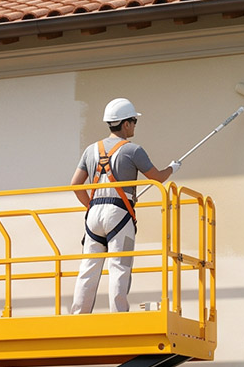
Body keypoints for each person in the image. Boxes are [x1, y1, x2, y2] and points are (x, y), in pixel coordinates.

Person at [68, 98, 177, 314]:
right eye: (134, 121)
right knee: (120, 266)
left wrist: (90, 206)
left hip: (94, 214)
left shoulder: (90, 150)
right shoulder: (133, 150)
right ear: (125, 124)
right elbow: (157, 177)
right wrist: (172, 168)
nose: (135, 125)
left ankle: (78, 314)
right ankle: (118, 313)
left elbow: (75, 184)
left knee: (88, 268)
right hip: (119, 213)